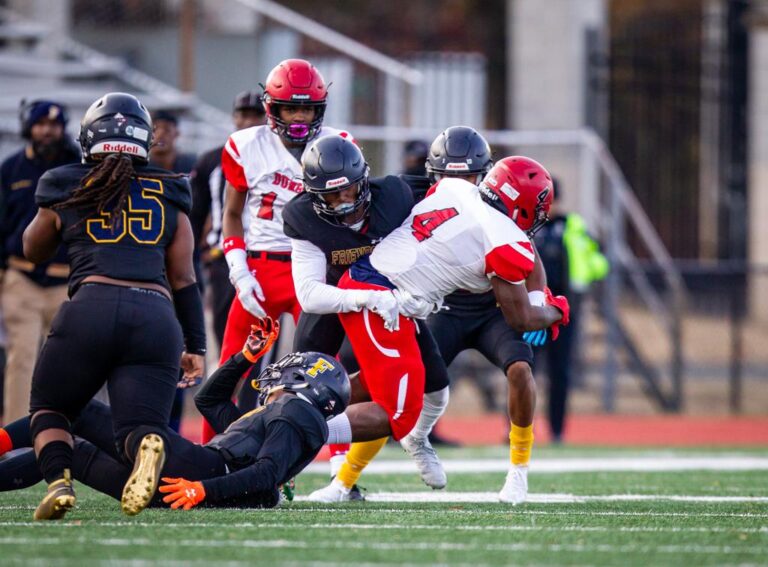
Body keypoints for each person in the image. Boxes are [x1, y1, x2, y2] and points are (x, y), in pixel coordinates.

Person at [21, 92, 206, 520]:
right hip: (156, 316)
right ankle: (145, 444)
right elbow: (184, 277)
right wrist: (195, 344)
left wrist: (61, 215)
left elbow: (32, 249)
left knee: (50, 408)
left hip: (91, 304)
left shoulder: (66, 181)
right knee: (136, 427)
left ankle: (59, 482)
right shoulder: (171, 189)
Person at [0, 319, 351, 511]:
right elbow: (209, 401)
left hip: (199, 471)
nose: (280, 371)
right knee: (67, 450)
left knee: (74, 409)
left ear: (306, 382)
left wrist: (203, 489)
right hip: (185, 476)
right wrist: (244, 357)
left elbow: (267, 472)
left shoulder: (294, 412)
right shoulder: (276, 416)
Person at [283, 135, 451, 500]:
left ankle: (418, 439)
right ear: (313, 195)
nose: (344, 201)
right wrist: (368, 299)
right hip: (335, 300)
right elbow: (309, 294)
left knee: (436, 385)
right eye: (331, 195)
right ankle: (283, 469)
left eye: (349, 190)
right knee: (304, 392)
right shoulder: (302, 216)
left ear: (364, 180)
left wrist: (426, 293)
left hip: (389, 302)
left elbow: (453, 205)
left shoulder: (396, 194)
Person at [205, 58, 350, 443]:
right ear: (272, 108)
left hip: (315, 268)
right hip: (262, 267)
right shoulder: (244, 145)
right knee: (229, 369)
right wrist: (239, 272)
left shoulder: (339, 145)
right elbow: (233, 214)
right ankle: (208, 453)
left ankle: (336, 470)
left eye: (306, 107)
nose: (299, 116)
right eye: (291, 107)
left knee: (325, 373)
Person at [412, 126, 549, 503]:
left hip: (494, 310)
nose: (459, 183)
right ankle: (346, 476)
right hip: (447, 308)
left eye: (468, 175)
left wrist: (539, 300)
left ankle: (519, 472)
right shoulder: (421, 202)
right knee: (401, 382)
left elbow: (531, 258)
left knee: (521, 369)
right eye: (450, 176)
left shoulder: (497, 207)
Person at [0, 99, 80, 425]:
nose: (47, 131)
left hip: (67, 280)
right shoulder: (11, 168)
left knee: (66, 361)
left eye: (54, 125)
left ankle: (62, 428)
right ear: (29, 128)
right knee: (21, 357)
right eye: (41, 124)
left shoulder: (76, 167)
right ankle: (16, 434)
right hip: (21, 278)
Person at [190, 90, 266, 350]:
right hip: (224, 256)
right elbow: (196, 214)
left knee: (264, 333)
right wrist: (192, 260)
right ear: (234, 117)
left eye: (256, 115)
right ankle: (226, 389)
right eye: (243, 115)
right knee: (225, 332)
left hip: (266, 255)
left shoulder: (277, 158)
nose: (249, 122)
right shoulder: (212, 160)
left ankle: (257, 390)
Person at [533, 180, 608, 443]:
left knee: (560, 372)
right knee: (522, 369)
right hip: (530, 315)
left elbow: (597, 262)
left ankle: (556, 431)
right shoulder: (528, 226)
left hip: (562, 315)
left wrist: (583, 280)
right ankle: (517, 429)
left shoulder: (573, 227)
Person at [149, 110, 197, 174]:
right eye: (154, 129)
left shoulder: (192, 165)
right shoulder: (139, 166)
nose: (160, 134)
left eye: (167, 130)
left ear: (177, 133)